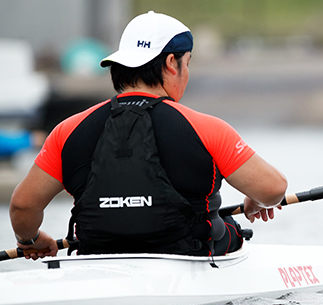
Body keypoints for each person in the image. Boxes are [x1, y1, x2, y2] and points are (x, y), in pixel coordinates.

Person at [9, 11, 287, 260]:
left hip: (95, 257)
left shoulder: (67, 130)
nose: (186, 72)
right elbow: (273, 189)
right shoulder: (207, 128)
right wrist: (257, 199)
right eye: (187, 63)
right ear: (170, 63)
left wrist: (29, 240)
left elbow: (22, 207)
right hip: (188, 255)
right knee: (232, 230)